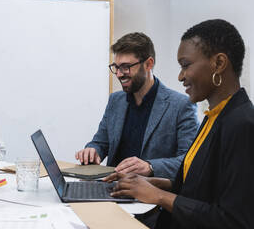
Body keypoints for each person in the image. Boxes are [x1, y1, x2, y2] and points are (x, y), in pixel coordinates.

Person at [105, 19, 254, 228]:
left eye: (186, 66)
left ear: (219, 64)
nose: (180, 76)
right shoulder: (214, 117)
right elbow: (200, 187)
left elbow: (234, 220)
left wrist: (160, 196)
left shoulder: (243, 125)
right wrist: (155, 184)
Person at [75, 33, 199, 179]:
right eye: (116, 67)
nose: (120, 74)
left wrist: (150, 167)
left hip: (149, 195)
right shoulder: (116, 100)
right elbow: (100, 142)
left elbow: (189, 161)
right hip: (111, 187)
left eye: (126, 67)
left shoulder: (181, 105)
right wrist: (92, 150)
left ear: (148, 64)